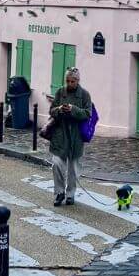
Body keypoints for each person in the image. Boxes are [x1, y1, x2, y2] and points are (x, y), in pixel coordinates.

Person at [49, 68, 91, 207]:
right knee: (57, 163)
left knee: (73, 168)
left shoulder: (84, 95)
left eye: (72, 81)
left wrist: (73, 109)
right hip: (60, 135)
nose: (69, 83)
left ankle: (70, 193)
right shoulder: (60, 92)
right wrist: (59, 109)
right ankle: (59, 192)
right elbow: (52, 110)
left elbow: (87, 114)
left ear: (77, 81)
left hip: (76, 136)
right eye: (67, 80)